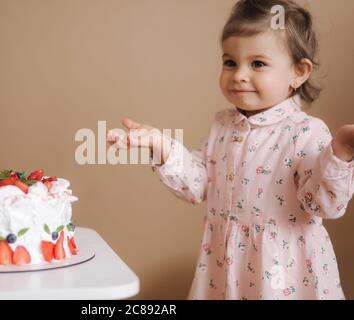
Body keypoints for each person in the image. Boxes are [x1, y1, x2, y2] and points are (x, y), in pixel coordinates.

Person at [107, 0, 354, 299]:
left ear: (298, 72)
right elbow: (196, 186)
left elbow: (324, 205)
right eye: (230, 62)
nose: (239, 74)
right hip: (225, 269)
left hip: (283, 276)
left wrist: (339, 154)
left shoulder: (305, 132)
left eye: (258, 64)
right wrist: (161, 145)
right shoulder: (223, 125)